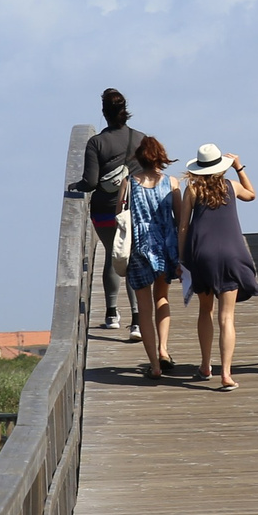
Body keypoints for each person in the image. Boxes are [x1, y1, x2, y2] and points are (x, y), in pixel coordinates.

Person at [177, 144, 258, 389]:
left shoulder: (191, 190)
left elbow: (183, 227)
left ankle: (205, 365)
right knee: (227, 317)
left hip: (202, 255)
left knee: (206, 311)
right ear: (220, 167)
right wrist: (239, 168)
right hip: (233, 254)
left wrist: (182, 260)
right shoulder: (231, 187)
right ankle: (226, 374)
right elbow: (252, 194)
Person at [72, 88, 141, 337]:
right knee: (132, 258)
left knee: (113, 255)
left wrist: (75, 186)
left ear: (104, 112)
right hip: (132, 210)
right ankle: (137, 319)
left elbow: (90, 183)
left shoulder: (97, 143)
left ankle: (112, 314)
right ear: (125, 111)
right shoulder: (141, 139)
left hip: (103, 210)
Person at [124, 136, 182, 380]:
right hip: (165, 248)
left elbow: (120, 214)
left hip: (139, 248)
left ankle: (155, 366)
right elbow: (180, 220)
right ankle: (164, 350)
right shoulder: (171, 182)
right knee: (162, 298)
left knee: (144, 308)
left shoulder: (129, 183)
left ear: (140, 157)